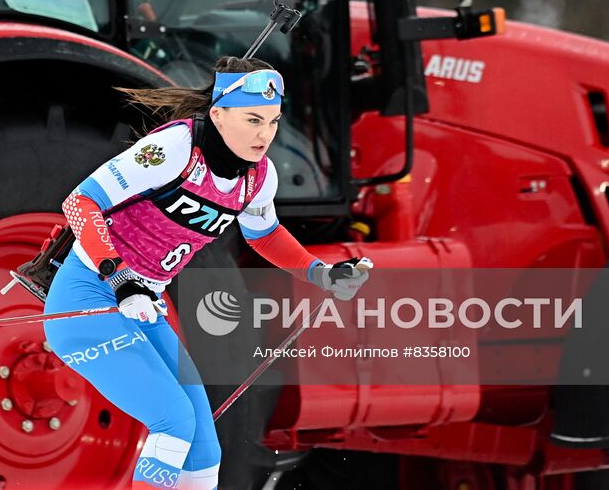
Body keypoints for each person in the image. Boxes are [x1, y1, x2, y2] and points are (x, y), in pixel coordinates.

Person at [42, 56, 373, 490]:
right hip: (89, 298)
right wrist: (119, 276)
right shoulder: (175, 150)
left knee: (204, 450)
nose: (264, 135)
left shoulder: (258, 178)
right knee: (173, 422)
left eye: (273, 122)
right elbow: (80, 204)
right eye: (253, 119)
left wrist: (322, 275)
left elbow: (265, 234)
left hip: (145, 307)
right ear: (218, 114)